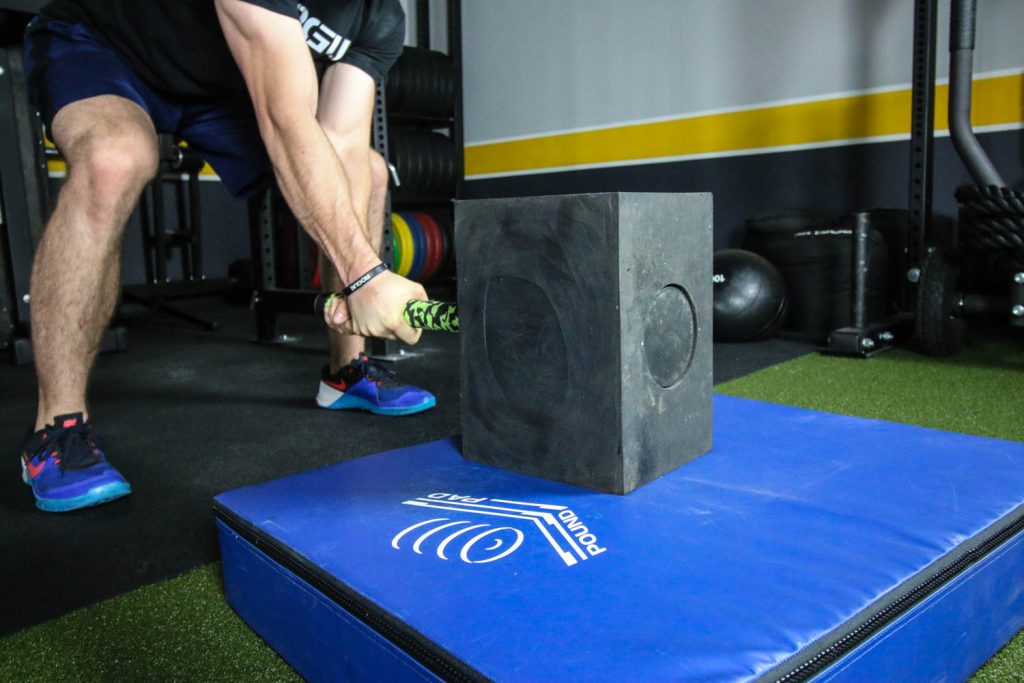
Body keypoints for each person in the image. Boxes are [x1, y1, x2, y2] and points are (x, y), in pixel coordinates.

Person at [19, 0, 435, 513]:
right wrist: (367, 273)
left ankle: (346, 372)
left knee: (365, 173)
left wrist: (358, 287)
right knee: (115, 158)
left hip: (218, 88)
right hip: (105, 45)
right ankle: (56, 431)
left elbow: (342, 140)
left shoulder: (380, 18)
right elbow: (285, 118)